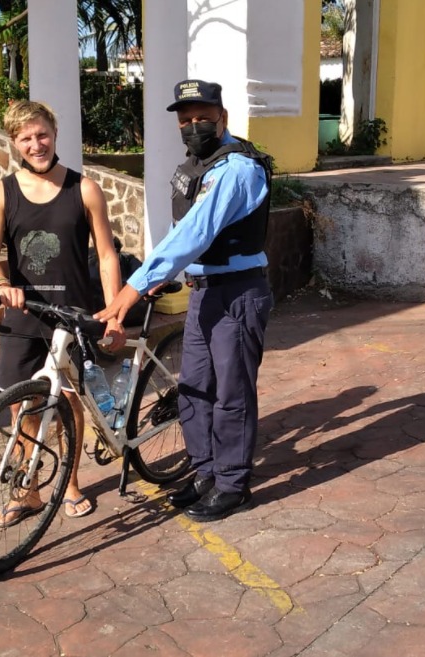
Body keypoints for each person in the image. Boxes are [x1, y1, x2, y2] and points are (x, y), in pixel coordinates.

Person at [95, 79, 274, 522]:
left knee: (232, 394)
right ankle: (205, 472)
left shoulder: (237, 169)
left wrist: (136, 284)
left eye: (202, 119)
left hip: (238, 293)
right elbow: (183, 235)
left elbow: (197, 231)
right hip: (204, 294)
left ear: (222, 118)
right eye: (185, 121)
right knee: (193, 390)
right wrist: (167, 273)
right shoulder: (200, 165)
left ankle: (233, 484)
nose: (193, 127)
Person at [0, 100, 126, 527]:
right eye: (26, 138)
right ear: (14, 143)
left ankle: (71, 482)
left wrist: (113, 313)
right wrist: (1, 285)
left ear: (54, 134)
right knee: (19, 404)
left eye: (42, 134)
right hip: (24, 316)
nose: (36, 144)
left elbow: (106, 255)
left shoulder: (84, 189)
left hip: (74, 315)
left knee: (72, 402)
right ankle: (28, 492)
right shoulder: (1, 193)